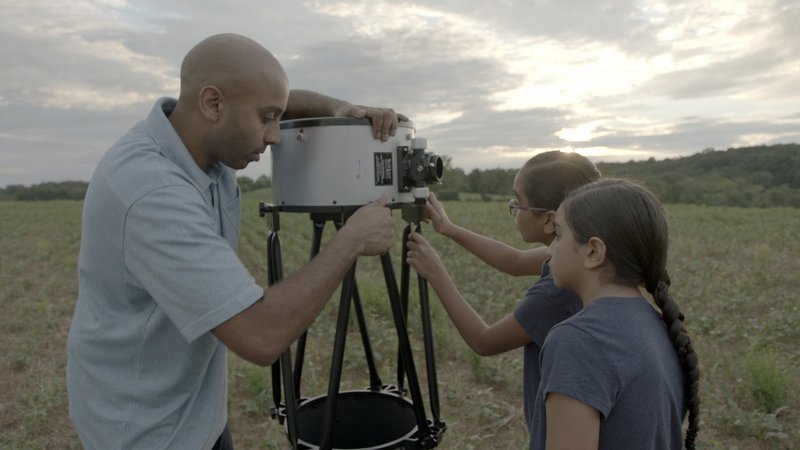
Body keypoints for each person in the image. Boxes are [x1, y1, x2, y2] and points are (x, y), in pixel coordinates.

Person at [66, 33, 408, 450]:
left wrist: (338, 110)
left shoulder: (202, 146)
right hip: (146, 430)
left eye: (275, 117)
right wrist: (349, 241)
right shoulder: (151, 192)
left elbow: (270, 99)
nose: (275, 135)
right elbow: (259, 335)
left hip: (194, 413)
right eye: (266, 119)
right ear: (212, 104)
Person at [404, 151, 600, 438]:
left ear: (549, 220)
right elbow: (515, 261)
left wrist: (436, 274)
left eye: (518, 202)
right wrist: (448, 228)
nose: (513, 208)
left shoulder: (556, 293)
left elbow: (484, 341)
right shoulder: (581, 253)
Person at [533, 178, 700, 449]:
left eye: (559, 235)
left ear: (594, 251)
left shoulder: (578, 341)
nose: (549, 248)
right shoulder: (657, 325)